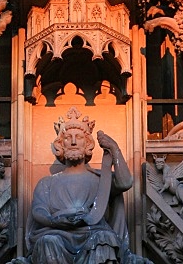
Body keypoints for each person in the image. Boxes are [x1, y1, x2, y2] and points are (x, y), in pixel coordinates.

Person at [23, 108, 141, 264]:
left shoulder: (101, 179)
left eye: (78, 137)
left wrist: (114, 149)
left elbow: (125, 182)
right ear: (60, 144)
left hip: (93, 231)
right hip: (57, 231)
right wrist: (54, 221)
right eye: (67, 138)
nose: (73, 142)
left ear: (87, 143)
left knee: (105, 239)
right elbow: (39, 210)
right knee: (47, 241)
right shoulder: (47, 183)